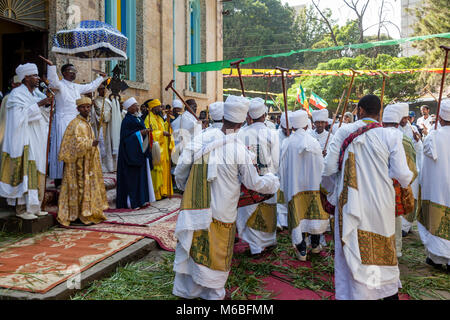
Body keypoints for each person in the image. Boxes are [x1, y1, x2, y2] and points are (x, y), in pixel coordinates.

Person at [172, 95, 280, 300]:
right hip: (222, 209)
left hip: (197, 206)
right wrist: (273, 181)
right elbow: (254, 183)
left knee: (196, 246)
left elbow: (181, 168)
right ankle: (213, 293)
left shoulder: (202, 138)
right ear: (242, 121)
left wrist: (187, 188)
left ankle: (188, 291)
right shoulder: (238, 149)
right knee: (216, 251)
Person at [323, 95, 413, 300]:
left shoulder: (345, 131)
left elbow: (328, 168)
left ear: (360, 110)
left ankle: (356, 294)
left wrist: (331, 191)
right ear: (379, 112)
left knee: (352, 248)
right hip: (382, 202)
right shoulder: (391, 135)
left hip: (350, 203)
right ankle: (386, 293)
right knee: (382, 247)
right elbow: (402, 174)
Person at [0, 64, 52, 220]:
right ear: (26, 78)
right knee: (26, 171)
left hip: (37, 139)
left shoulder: (36, 93)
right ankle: (22, 209)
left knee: (37, 171)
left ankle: (35, 207)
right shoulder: (16, 95)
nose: (37, 79)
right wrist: (40, 105)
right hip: (23, 140)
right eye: (34, 76)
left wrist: (46, 105)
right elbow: (17, 119)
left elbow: (41, 114)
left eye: (37, 76)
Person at [45, 60, 106, 187]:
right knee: (61, 148)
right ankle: (59, 179)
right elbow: (53, 82)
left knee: (77, 148)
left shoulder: (76, 87)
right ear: (63, 73)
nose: (73, 74)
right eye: (70, 71)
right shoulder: (60, 85)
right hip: (62, 122)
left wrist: (101, 78)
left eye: (75, 72)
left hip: (76, 122)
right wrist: (51, 67)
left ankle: (74, 176)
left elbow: (91, 87)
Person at [279, 110, 329, 261]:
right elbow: (322, 167)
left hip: (294, 188)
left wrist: (283, 185)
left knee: (298, 217)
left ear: (293, 126)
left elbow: (281, 168)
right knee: (313, 216)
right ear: (307, 125)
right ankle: (314, 245)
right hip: (313, 187)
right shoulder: (313, 143)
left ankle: (301, 250)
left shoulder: (288, 143)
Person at [236, 98, 280, 256]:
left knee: (250, 211)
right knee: (267, 212)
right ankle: (267, 243)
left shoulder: (241, 133)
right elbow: (276, 160)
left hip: (248, 179)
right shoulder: (271, 132)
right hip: (267, 178)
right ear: (264, 115)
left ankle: (255, 247)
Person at [57, 97, 108, 226]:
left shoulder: (87, 123)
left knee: (86, 187)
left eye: (88, 107)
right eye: (83, 107)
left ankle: (87, 212)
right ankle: (78, 214)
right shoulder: (75, 124)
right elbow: (74, 144)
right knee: (79, 187)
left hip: (88, 162)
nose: (86, 109)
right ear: (78, 109)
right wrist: (91, 142)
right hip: (78, 164)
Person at [417, 99, 450, 271]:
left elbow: (427, 158)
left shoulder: (434, 136)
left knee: (437, 221)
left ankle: (436, 258)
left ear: (441, 118)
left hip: (439, 189)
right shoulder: (434, 135)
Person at [382, 105, 417, 258]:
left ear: (382, 123)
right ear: (397, 123)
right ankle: (395, 250)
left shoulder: (373, 136)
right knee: (395, 219)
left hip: (377, 186)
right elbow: (411, 169)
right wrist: (406, 185)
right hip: (397, 185)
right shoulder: (405, 140)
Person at [116, 98, 156, 209]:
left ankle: (142, 199)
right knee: (132, 178)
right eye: (134, 106)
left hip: (140, 152)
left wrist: (146, 132)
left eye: (137, 105)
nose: (137, 107)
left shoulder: (138, 118)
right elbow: (126, 139)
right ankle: (133, 202)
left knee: (141, 177)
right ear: (129, 108)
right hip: (130, 154)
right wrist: (140, 133)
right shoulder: (127, 120)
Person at [398, 104, 423, 237]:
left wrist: (417, 141)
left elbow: (419, 150)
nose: (404, 119)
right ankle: (399, 225)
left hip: (412, 168)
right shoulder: (393, 129)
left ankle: (406, 226)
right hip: (398, 168)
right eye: (402, 117)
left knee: (410, 196)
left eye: (406, 117)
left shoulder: (413, 129)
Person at [145, 99, 175, 200]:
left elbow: (164, 128)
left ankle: (164, 192)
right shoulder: (149, 119)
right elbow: (150, 134)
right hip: (156, 150)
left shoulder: (160, 118)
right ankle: (157, 194)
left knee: (165, 171)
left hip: (164, 149)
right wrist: (162, 134)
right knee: (157, 173)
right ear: (153, 108)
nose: (160, 109)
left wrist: (168, 123)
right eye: (158, 107)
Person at [93, 82, 121, 173]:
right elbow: (99, 114)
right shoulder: (96, 101)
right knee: (101, 146)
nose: (103, 91)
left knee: (109, 146)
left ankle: (110, 166)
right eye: (101, 89)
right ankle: (101, 166)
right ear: (98, 90)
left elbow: (111, 113)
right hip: (100, 127)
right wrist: (107, 114)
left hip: (108, 127)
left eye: (104, 89)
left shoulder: (108, 101)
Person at [276, 111, 293, 230]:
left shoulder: (294, 137)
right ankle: (280, 221)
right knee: (279, 199)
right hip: (278, 172)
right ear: (281, 125)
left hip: (291, 172)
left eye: (290, 129)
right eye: (285, 129)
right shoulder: (275, 136)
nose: (288, 132)